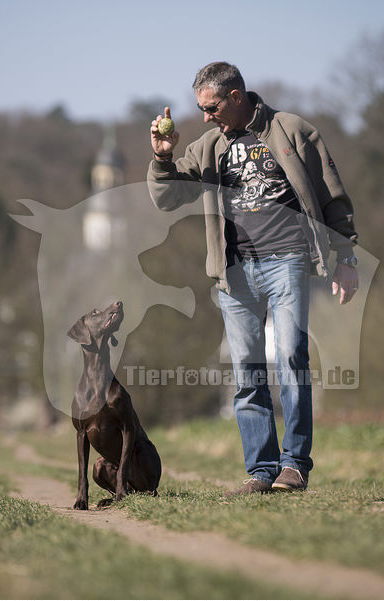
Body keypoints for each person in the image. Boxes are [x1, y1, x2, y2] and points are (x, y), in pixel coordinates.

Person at [148, 62, 358, 496]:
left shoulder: (292, 130)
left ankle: (294, 466)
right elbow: (168, 198)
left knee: (290, 359)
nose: (205, 116)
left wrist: (346, 257)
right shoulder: (209, 147)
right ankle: (261, 472)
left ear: (236, 97)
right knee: (247, 371)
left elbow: (331, 195)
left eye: (211, 107)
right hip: (235, 271)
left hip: (288, 261)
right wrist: (163, 155)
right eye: (201, 109)